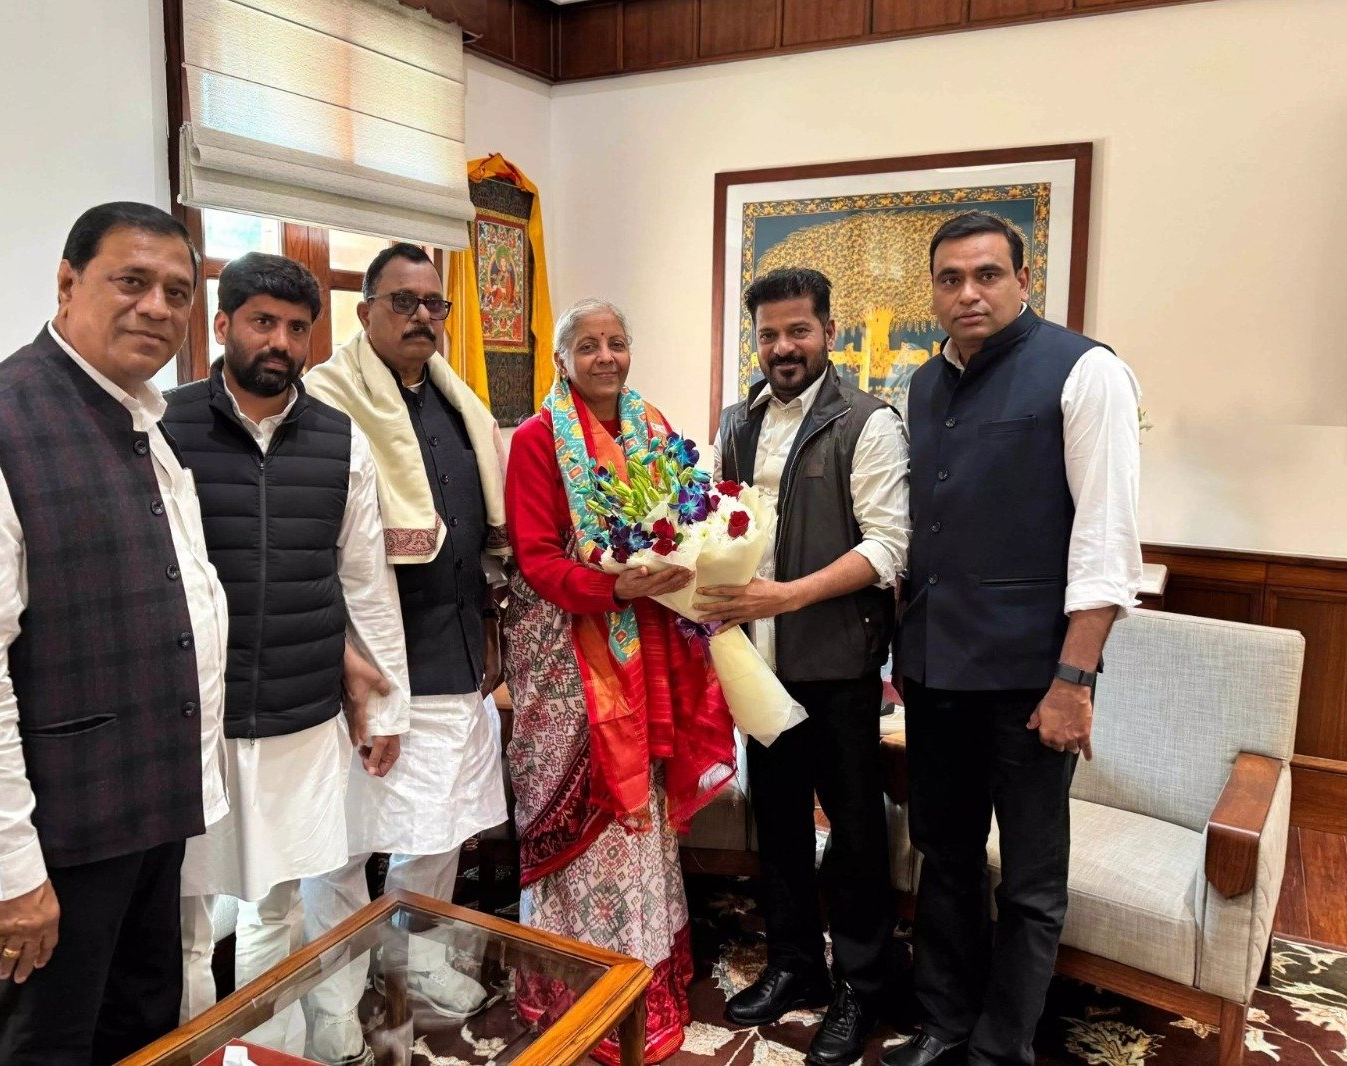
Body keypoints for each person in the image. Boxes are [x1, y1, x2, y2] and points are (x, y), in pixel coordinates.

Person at [0, 202, 228, 1064]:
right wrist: (11, 867)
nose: (156, 307)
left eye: (177, 292)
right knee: (53, 1048)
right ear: (68, 283)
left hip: (148, 800)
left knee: (144, 1029)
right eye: (132, 281)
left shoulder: (141, 417)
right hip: (57, 822)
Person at [884, 212, 1142, 1066]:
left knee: (1029, 882)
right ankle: (945, 1022)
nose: (969, 293)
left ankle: (1001, 1050)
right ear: (933, 292)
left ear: (1024, 281)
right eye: (950, 278)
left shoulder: (1086, 371)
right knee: (946, 858)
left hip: (1033, 680)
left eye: (987, 275)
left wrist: (1075, 679)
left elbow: (1106, 544)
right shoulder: (924, 385)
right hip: (935, 672)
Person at [162, 252, 409, 1060]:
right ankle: (197, 1056)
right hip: (192, 721)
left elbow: (365, 580)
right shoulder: (161, 428)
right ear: (222, 324)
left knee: (277, 906)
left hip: (300, 715)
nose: (280, 342)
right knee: (185, 917)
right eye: (263, 322)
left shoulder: (339, 439)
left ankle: (271, 1053)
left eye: (298, 328)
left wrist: (386, 705)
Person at [501, 298, 736, 1064]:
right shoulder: (537, 440)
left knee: (642, 815)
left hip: (646, 650)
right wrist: (612, 589)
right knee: (582, 811)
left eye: (616, 343)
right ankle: (571, 991)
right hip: (568, 661)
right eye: (589, 345)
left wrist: (687, 565)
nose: (605, 357)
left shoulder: (655, 429)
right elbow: (537, 558)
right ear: (562, 358)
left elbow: (690, 520)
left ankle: (641, 984)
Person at [700, 267, 910, 1066]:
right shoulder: (736, 422)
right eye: (769, 334)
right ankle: (795, 965)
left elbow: (888, 548)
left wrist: (786, 597)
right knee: (778, 823)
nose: (783, 347)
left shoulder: (868, 423)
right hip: (756, 665)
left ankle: (863, 985)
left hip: (838, 666)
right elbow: (714, 520)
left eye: (798, 331)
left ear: (829, 332)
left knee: (853, 834)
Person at [302, 242, 510, 1018]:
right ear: (365, 311)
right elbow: (306, 547)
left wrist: (488, 626)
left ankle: (413, 964)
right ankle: (336, 992)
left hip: (451, 651)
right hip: (364, 663)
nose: (422, 316)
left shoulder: (456, 402)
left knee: (439, 828)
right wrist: (344, 655)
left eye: (434, 303)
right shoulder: (324, 402)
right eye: (403, 301)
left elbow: (478, 533)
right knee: (346, 838)